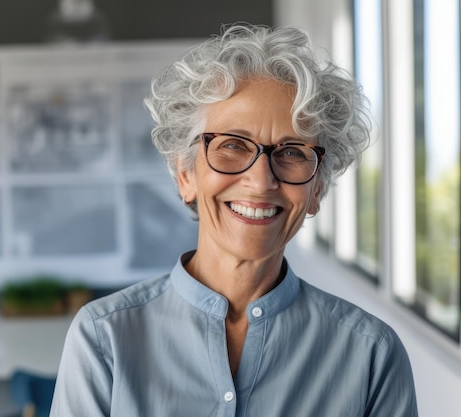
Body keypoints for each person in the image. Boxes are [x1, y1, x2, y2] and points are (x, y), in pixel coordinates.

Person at [50, 23, 418, 416]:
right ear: (186, 174)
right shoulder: (104, 337)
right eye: (232, 146)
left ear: (317, 191)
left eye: (292, 152)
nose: (261, 181)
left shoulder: (371, 355)